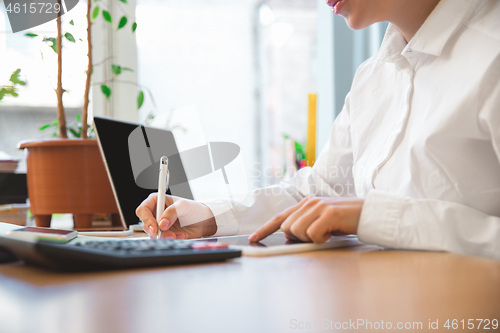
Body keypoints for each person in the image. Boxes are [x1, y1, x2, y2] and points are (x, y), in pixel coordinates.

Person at [136, 0, 500, 260]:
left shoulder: (492, 51)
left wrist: (372, 216)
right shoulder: (373, 76)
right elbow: (318, 193)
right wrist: (208, 216)